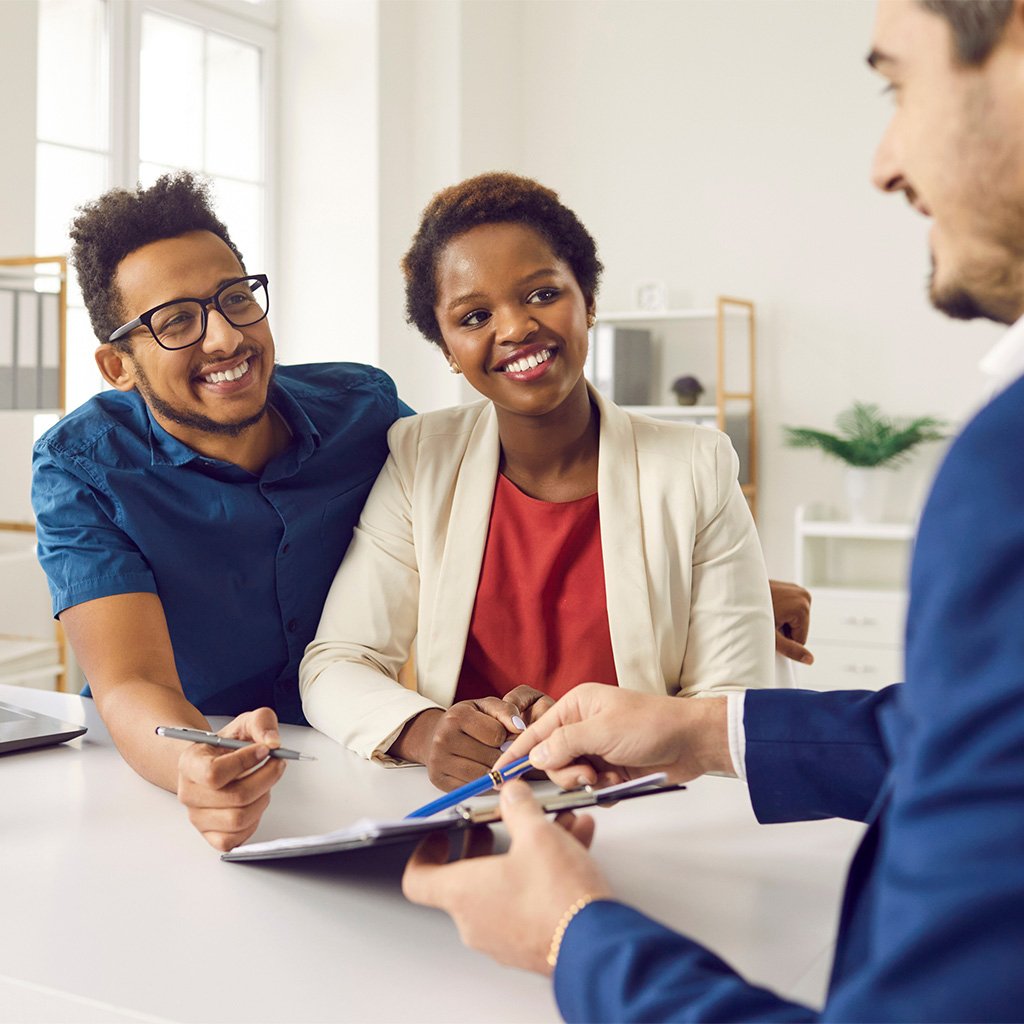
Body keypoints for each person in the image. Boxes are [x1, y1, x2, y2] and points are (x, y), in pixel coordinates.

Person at [401, 1, 1024, 1019]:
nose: (882, 162)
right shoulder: (415, 456)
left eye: (896, 86)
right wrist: (699, 731)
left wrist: (574, 935)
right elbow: (960, 736)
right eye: (471, 315)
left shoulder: (1003, 470)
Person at [300, 172, 780, 792]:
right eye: (475, 316)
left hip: (642, 810)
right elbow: (337, 662)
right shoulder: (421, 458)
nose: (515, 329)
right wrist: (428, 731)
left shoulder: (696, 464)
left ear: (589, 299)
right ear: (446, 346)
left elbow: (730, 697)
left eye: (541, 294)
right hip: (477, 808)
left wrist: (603, 742)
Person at [31, 172, 411, 851]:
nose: (226, 339)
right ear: (118, 366)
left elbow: (476, 536)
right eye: (177, 321)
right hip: (168, 778)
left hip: (358, 763)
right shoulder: (81, 466)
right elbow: (131, 681)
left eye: (236, 299)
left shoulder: (367, 410)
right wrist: (195, 763)